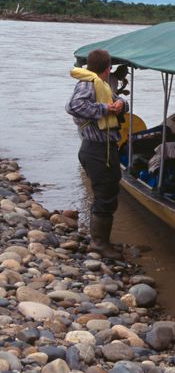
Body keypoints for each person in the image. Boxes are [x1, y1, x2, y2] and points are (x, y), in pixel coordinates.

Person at [65, 49, 128, 260]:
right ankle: (99, 243)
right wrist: (104, 109)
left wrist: (120, 104)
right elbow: (73, 106)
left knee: (109, 191)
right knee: (105, 195)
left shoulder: (102, 85)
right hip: (95, 148)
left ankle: (103, 241)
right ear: (107, 68)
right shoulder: (88, 84)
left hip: (103, 148)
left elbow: (119, 101)